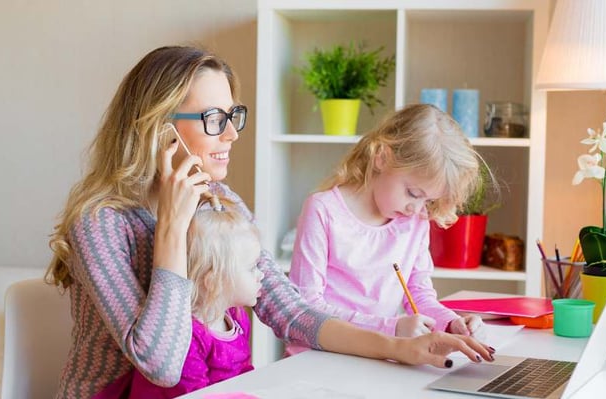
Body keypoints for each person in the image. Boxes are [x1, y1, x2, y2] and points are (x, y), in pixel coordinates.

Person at [45, 46, 494, 399]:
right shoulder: (101, 222)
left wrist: (402, 347)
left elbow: (291, 311)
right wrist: (171, 232)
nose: (232, 134)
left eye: (232, 116)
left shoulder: (221, 202)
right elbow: (161, 367)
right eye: (213, 119)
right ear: (158, 128)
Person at [288, 104, 487, 355]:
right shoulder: (323, 210)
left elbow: (419, 296)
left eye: (428, 201)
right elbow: (306, 308)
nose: (416, 209)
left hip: (377, 356)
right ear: (382, 157)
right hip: (318, 356)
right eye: (413, 193)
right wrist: (390, 328)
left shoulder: (415, 221)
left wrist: (451, 322)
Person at [127, 197, 262, 398]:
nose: (261, 275)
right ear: (213, 281)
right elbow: (193, 395)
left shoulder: (238, 318)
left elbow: (244, 376)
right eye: (252, 268)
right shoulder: (189, 337)